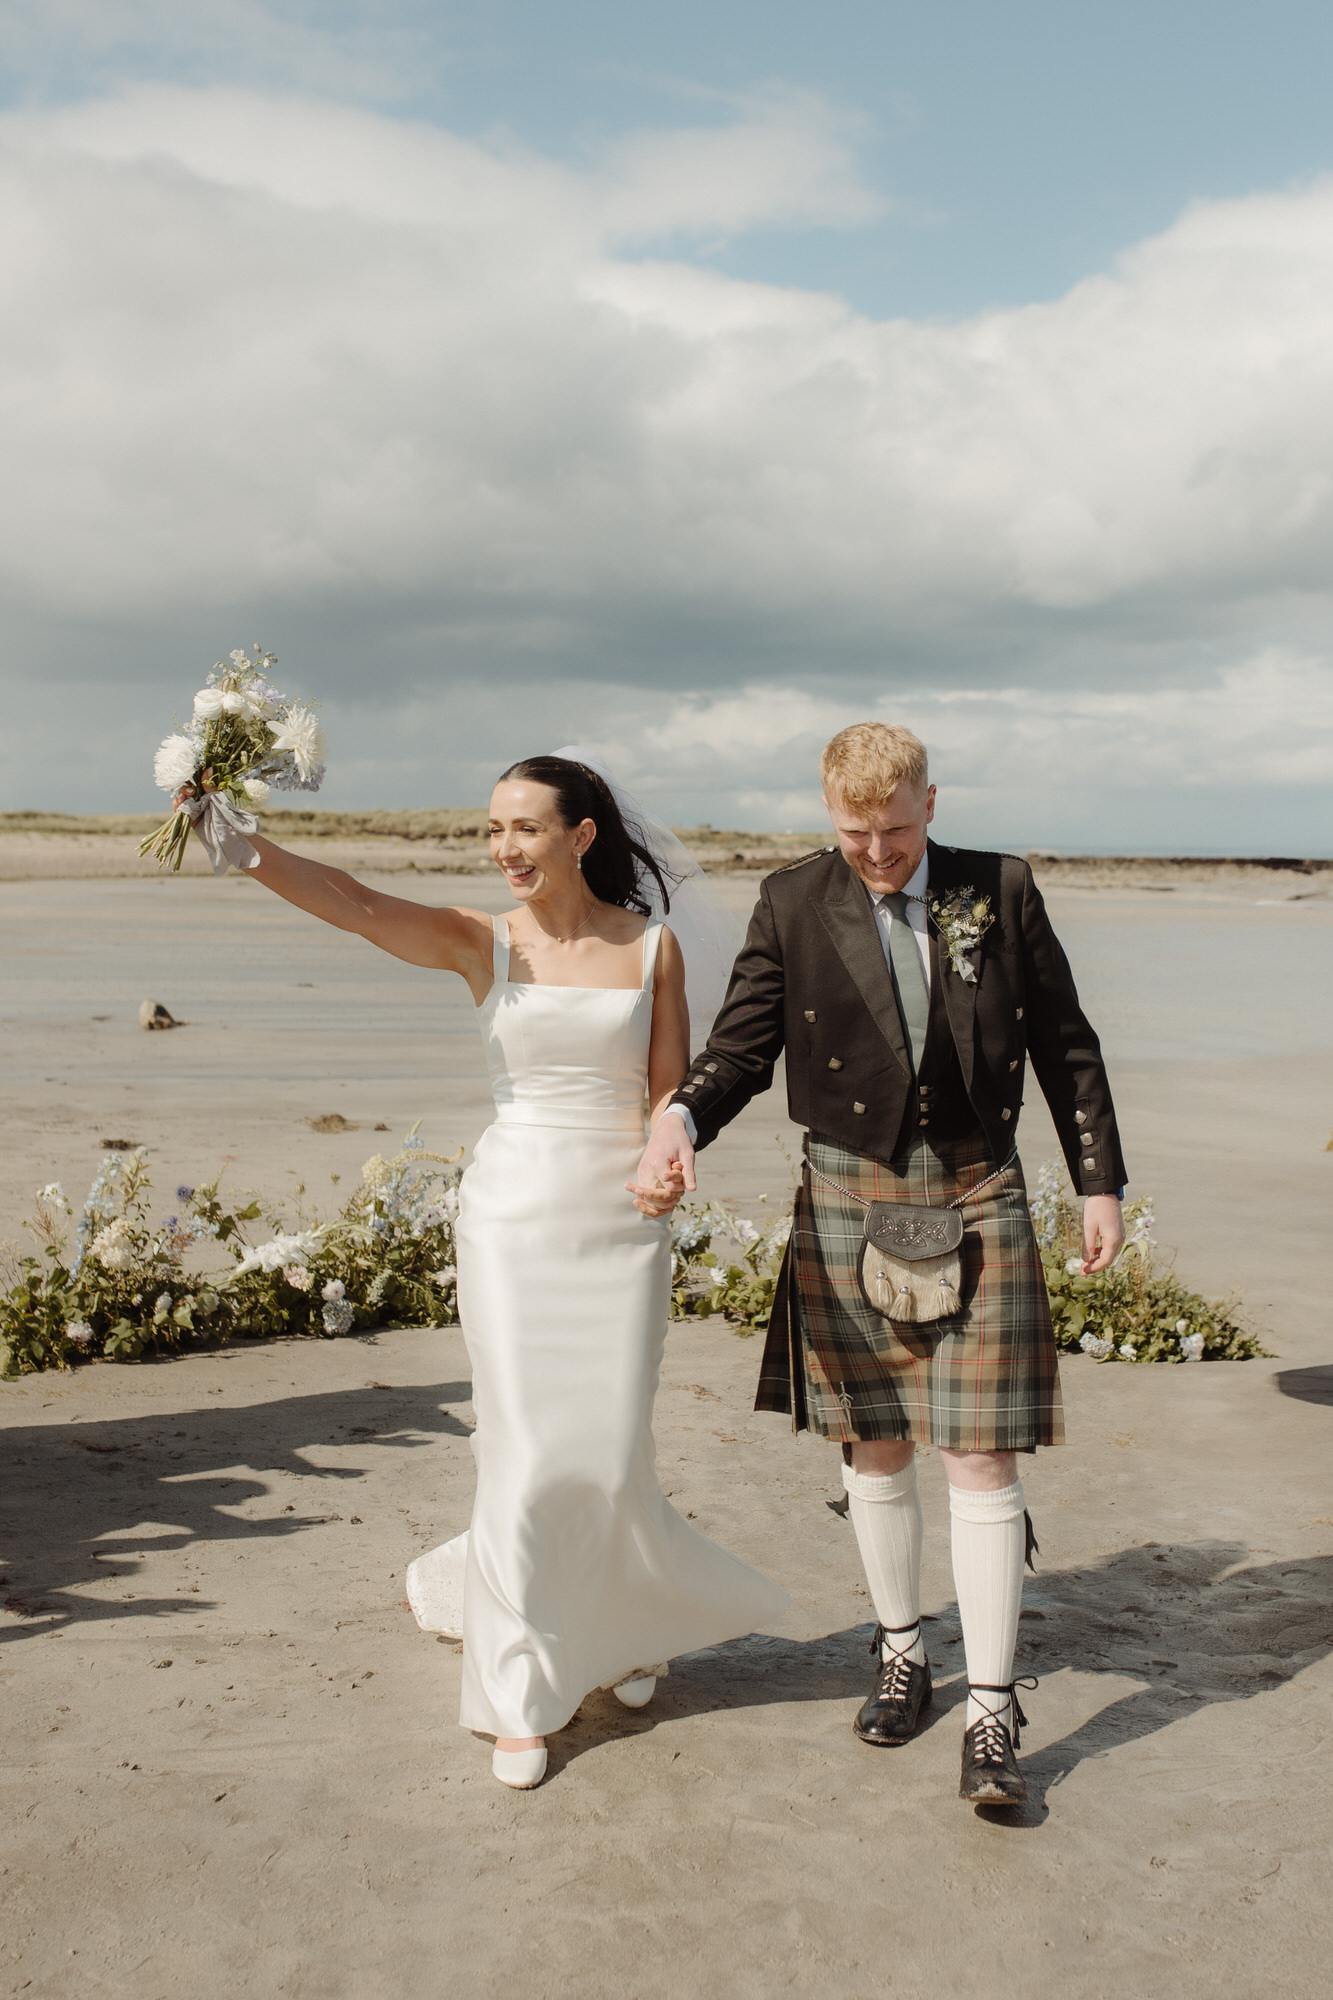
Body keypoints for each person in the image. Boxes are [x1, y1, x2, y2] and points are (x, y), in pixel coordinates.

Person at [175, 754, 787, 1791]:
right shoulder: (480, 943)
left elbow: (667, 1094)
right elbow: (356, 904)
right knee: (520, 1449)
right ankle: (517, 1691)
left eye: (525, 828)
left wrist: (665, 1162)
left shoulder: (654, 947)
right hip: (510, 1220)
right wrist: (231, 839)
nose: (504, 847)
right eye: (491, 830)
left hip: (617, 1227)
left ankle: (622, 1624)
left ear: (580, 834)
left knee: (606, 1444)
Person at [634, 722, 1126, 1806]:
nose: (873, 850)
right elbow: (741, 1045)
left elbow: (1064, 1039)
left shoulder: (999, 888)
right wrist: (680, 1115)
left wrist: (1099, 1180)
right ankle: (903, 1650)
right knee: (874, 1442)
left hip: (976, 1184)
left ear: (931, 804)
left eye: (894, 829)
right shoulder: (791, 898)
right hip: (849, 1189)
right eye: (852, 830)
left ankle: (992, 1708)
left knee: (984, 1455)